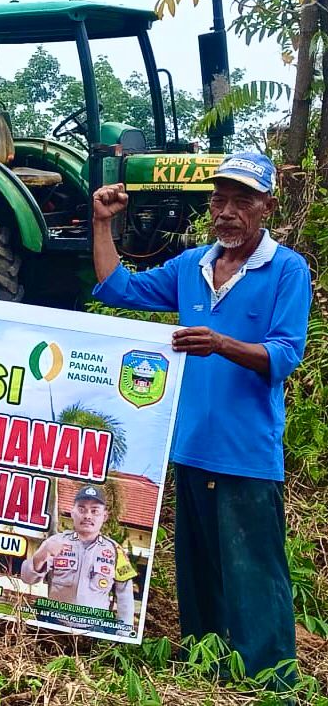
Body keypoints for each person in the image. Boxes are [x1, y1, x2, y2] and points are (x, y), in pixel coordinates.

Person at [91, 151, 311, 685]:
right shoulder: (190, 267)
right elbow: (119, 287)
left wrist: (221, 343)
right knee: (199, 576)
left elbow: (283, 355)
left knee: (255, 575)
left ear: (267, 208)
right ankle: (209, 675)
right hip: (189, 448)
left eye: (242, 200)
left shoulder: (287, 270)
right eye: (220, 199)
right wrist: (102, 223)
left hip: (247, 453)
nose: (228, 211)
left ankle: (273, 683)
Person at [20, 484, 136, 631]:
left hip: (95, 629)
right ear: (72, 512)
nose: (87, 515)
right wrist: (41, 556)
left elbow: (125, 594)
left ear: (104, 516)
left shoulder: (115, 550)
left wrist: (124, 632)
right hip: (53, 625)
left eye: (95, 511)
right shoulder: (55, 542)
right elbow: (27, 578)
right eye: (82, 509)